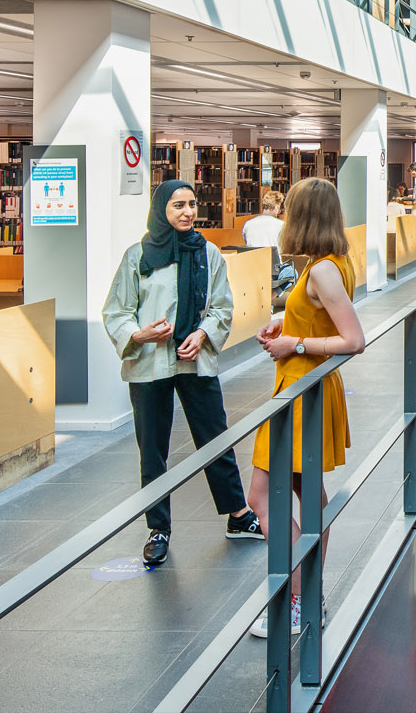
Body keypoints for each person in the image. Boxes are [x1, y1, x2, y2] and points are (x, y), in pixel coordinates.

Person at [102, 180, 260, 567]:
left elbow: (223, 307)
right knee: (152, 449)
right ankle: (158, 528)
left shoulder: (209, 253)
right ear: (161, 210)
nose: (188, 212)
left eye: (191, 204)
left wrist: (203, 332)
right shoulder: (137, 256)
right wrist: (138, 334)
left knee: (214, 437)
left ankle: (238, 515)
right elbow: (116, 311)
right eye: (178, 206)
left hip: (195, 359)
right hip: (149, 362)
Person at [249, 178, 366, 638]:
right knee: (309, 497)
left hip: (301, 392)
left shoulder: (322, 271)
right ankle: (308, 594)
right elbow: (320, 314)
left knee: (260, 498)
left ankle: (300, 600)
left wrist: (294, 342)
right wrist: (285, 321)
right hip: (305, 389)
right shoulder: (328, 263)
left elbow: (353, 340)